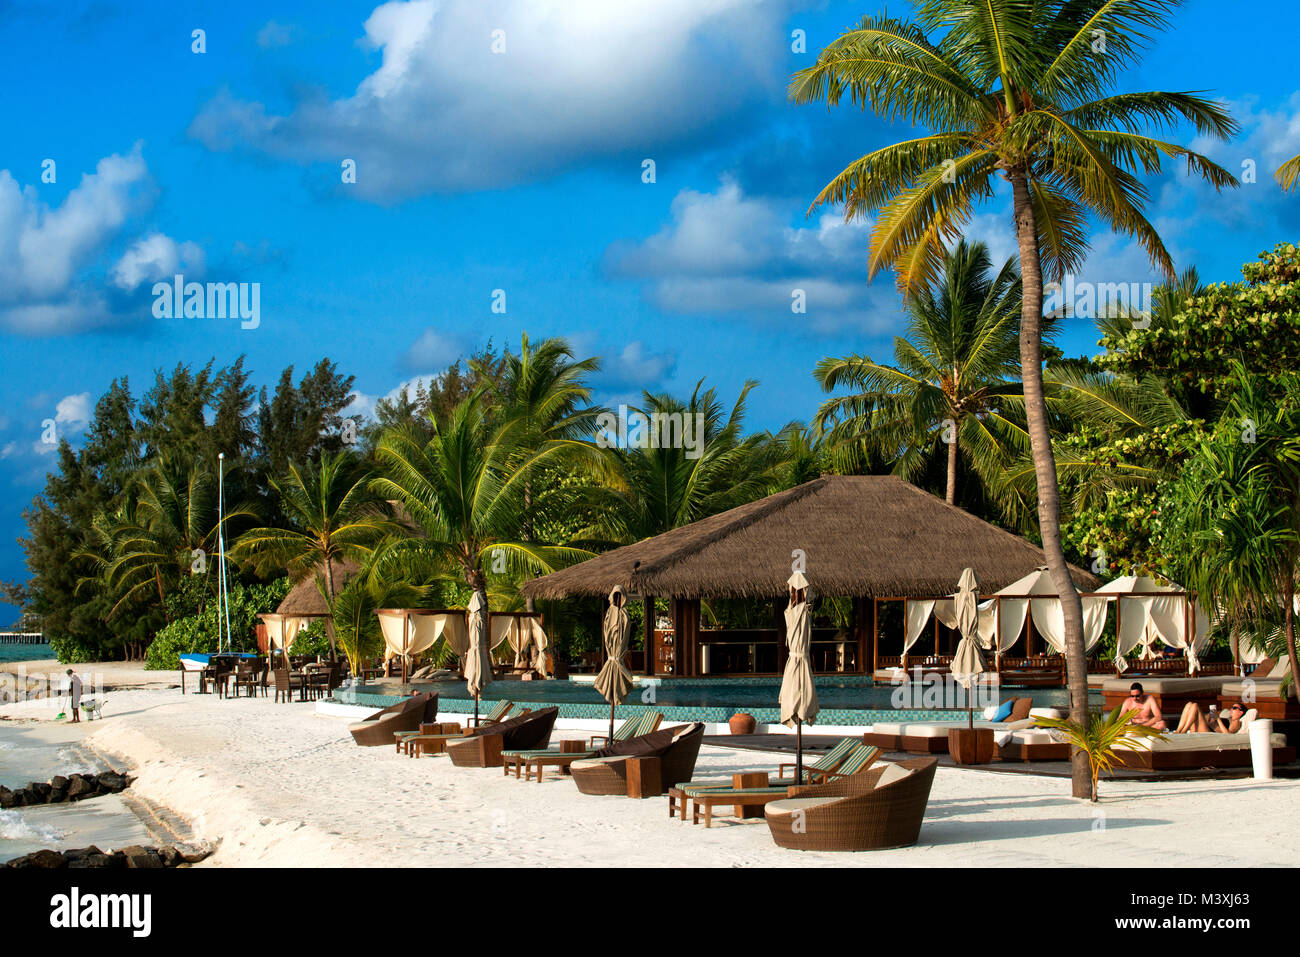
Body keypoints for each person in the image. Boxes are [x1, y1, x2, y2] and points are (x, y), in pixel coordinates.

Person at [1175, 700, 1246, 734]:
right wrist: (1210, 717)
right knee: (1189, 704)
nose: (1231, 709)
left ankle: (1183, 731)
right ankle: (1178, 730)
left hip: (1207, 732)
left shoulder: (1237, 722)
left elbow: (1228, 734)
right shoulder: (1228, 719)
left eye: (1234, 708)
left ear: (1241, 712)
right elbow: (1214, 726)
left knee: (1195, 705)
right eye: (1231, 707)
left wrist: (1218, 719)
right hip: (1205, 728)